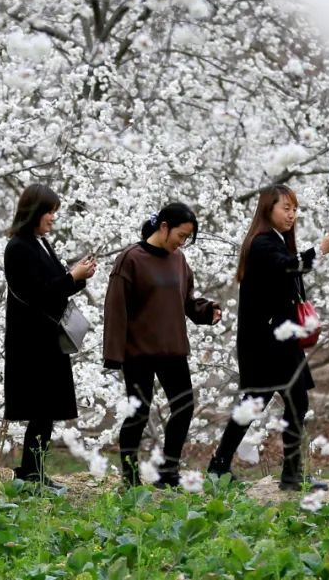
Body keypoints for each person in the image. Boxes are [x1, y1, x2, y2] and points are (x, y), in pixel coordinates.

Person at [207, 184, 329, 491]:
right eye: (286, 208)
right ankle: (237, 468)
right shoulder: (262, 243)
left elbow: (289, 273)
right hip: (267, 342)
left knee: (281, 401)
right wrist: (320, 250)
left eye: (295, 209)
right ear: (267, 209)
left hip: (278, 340)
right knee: (270, 402)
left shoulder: (275, 241)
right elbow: (287, 268)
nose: (292, 214)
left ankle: (232, 468)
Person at [103, 202, 222, 488]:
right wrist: (113, 354)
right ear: (164, 227)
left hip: (172, 349)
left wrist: (206, 311)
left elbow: (186, 300)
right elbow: (116, 309)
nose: (182, 242)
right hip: (138, 352)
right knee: (138, 414)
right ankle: (130, 478)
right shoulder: (131, 259)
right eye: (181, 235)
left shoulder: (178, 260)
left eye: (187, 238)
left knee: (184, 407)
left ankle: (168, 472)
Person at [3, 184, 97, 491]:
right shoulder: (18, 248)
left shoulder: (40, 243)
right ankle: (32, 475)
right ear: (34, 212)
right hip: (32, 342)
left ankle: (34, 473)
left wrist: (78, 276)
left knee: (45, 412)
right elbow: (38, 294)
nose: (53, 218)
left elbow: (56, 284)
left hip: (49, 340)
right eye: (49, 212)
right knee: (40, 410)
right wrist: (72, 277)